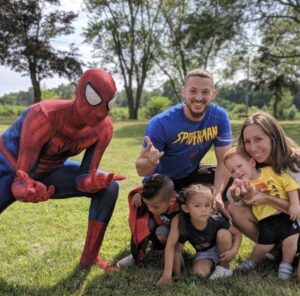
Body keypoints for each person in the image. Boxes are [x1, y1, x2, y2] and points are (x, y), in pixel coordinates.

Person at [0, 68, 124, 272]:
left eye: (108, 104)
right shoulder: (45, 115)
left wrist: (91, 183)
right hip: (8, 166)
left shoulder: (103, 128)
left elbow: (84, 177)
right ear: (79, 92)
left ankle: (89, 258)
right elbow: (21, 178)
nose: (101, 112)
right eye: (94, 99)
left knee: (110, 188)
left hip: (49, 171)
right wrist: (24, 188)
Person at [135, 68, 232, 211]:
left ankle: (223, 225)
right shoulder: (161, 123)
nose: (199, 97)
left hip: (191, 173)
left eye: (205, 92)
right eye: (193, 91)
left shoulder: (219, 117)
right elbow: (141, 170)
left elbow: (224, 162)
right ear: (183, 91)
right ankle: (146, 199)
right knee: (165, 212)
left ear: (213, 94)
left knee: (233, 181)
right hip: (163, 180)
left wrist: (217, 194)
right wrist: (149, 162)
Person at [226, 112, 300, 280]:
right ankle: (276, 252)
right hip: (275, 224)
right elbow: (233, 199)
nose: (252, 148)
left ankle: (290, 255)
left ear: (273, 137)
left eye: (258, 139)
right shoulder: (251, 163)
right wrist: (237, 194)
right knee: (235, 209)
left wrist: (266, 198)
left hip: (296, 224)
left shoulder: (296, 164)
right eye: (247, 142)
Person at [158, 184, 241, 285]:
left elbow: (237, 234)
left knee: (223, 233)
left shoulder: (217, 220)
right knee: (199, 274)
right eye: (197, 206)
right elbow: (178, 251)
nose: (203, 209)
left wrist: (233, 251)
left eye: (207, 205)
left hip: (222, 246)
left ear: (212, 205)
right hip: (205, 253)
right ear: (186, 208)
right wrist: (177, 274)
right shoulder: (185, 226)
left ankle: (224, 267)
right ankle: (214, 264)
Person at [117, 174, 179, 268]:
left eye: (155, 206)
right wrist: (139, 195)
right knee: (143, 223)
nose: (150, 209)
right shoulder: (155, 200)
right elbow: (149, 192)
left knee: (161, 232)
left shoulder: (178, 208)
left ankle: (174, 254)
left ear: (171, 200)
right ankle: (138, 254)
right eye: (148, 204)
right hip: (157, 225)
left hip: (173, 234)